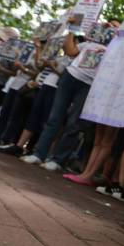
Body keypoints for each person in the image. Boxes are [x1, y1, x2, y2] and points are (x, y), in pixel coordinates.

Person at [20, 22, 110, 171]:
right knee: (54, 117)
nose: (108, 29)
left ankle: (58, 160)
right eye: (106, 26)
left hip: (88, 86)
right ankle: (38, 154)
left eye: (113, 27)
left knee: (74, 123)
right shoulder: (88, 44)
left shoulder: (115, 51)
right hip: (69, 78)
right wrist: (73, 28)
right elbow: (70, 51)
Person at [0, 38, 74, 156]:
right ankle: (19, 146)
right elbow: (39, 66)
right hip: (42, 86)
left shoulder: (74, 61)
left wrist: (52, 67)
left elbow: (65, 76)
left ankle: (35, 149)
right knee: (33, 116)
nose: (64, 43)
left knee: (45, 120)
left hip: (55, 89)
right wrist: (38, 49)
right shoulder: (59, 57)